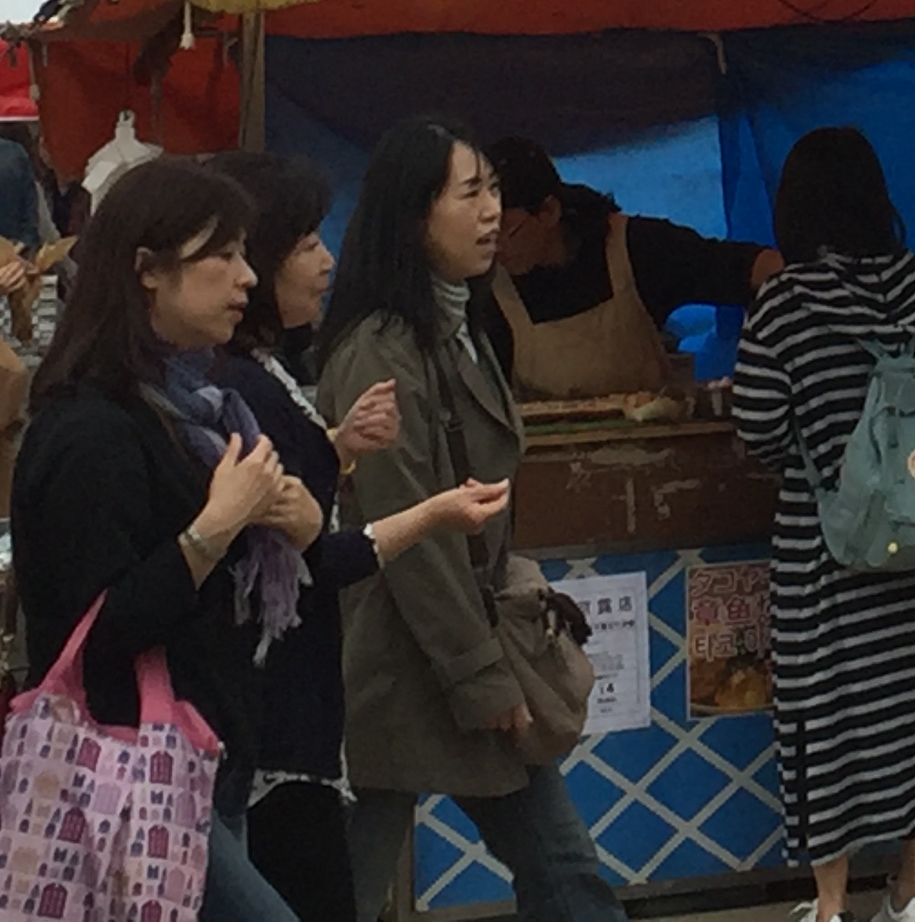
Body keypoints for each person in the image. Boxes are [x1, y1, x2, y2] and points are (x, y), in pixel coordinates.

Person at [320, 119, 628, 922]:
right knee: (350, 882)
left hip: (460, 643)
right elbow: (405, 528)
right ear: (417, 214)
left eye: (494, 189)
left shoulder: (460, 323)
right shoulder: (383, 346)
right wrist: (477, 671)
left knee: (563, 866)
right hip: (401, 657)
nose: (492, 211)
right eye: (471, 193)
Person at [13, 156, 324, 922]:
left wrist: (288, 519)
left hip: (203, 749)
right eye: (221, 256)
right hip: (123, 759)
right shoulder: (93, 427)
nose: (246, 277)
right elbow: (94, 628)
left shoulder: (196, 410)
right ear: (148, 271)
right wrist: (216, 525)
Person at [214, 150, 510, 922]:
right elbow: (316, 555)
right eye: (306, 243)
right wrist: (434, 513)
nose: (325, 260)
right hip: (281, 718)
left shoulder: (261, 373)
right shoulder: (245, 386)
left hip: (303, 714)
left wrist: (337, 445)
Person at [734, 128, 915, 922]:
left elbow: (757, 422)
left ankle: (830, 906)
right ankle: (914, 894)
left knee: (834, 723)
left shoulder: (785, 301)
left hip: (833, 550)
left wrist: (819, 453)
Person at [486, 136, 776, 401]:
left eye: (507, 231)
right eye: (484, 234)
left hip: (654, 451)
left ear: (549, 211)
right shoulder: (485, 287)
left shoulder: (638, 248)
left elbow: (750, 267)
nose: (496, 249)